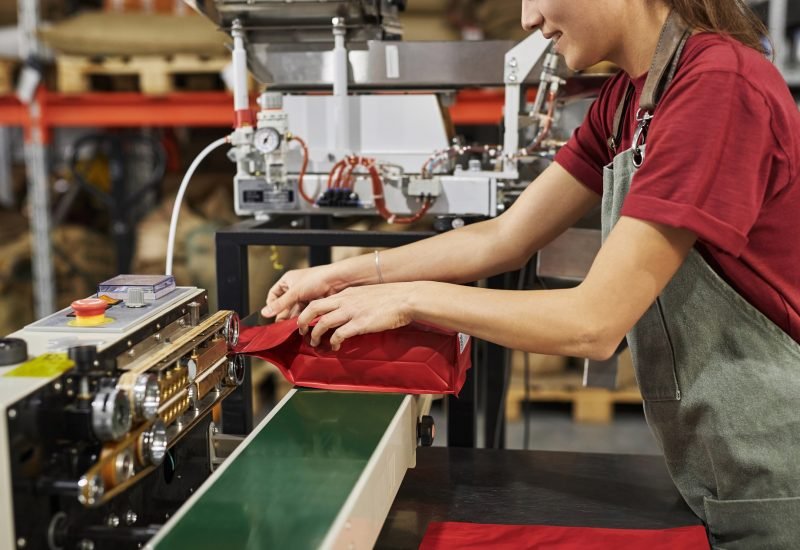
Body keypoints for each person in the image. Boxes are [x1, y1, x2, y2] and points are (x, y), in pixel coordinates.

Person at [262, 0, 800, 546]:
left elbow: (593, 322)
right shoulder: (627, 101)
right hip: (723, 468)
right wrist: (347, 277)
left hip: (779, 474)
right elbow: (504, 237)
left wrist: (411, 300)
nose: (526, 19)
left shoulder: (717, 87)